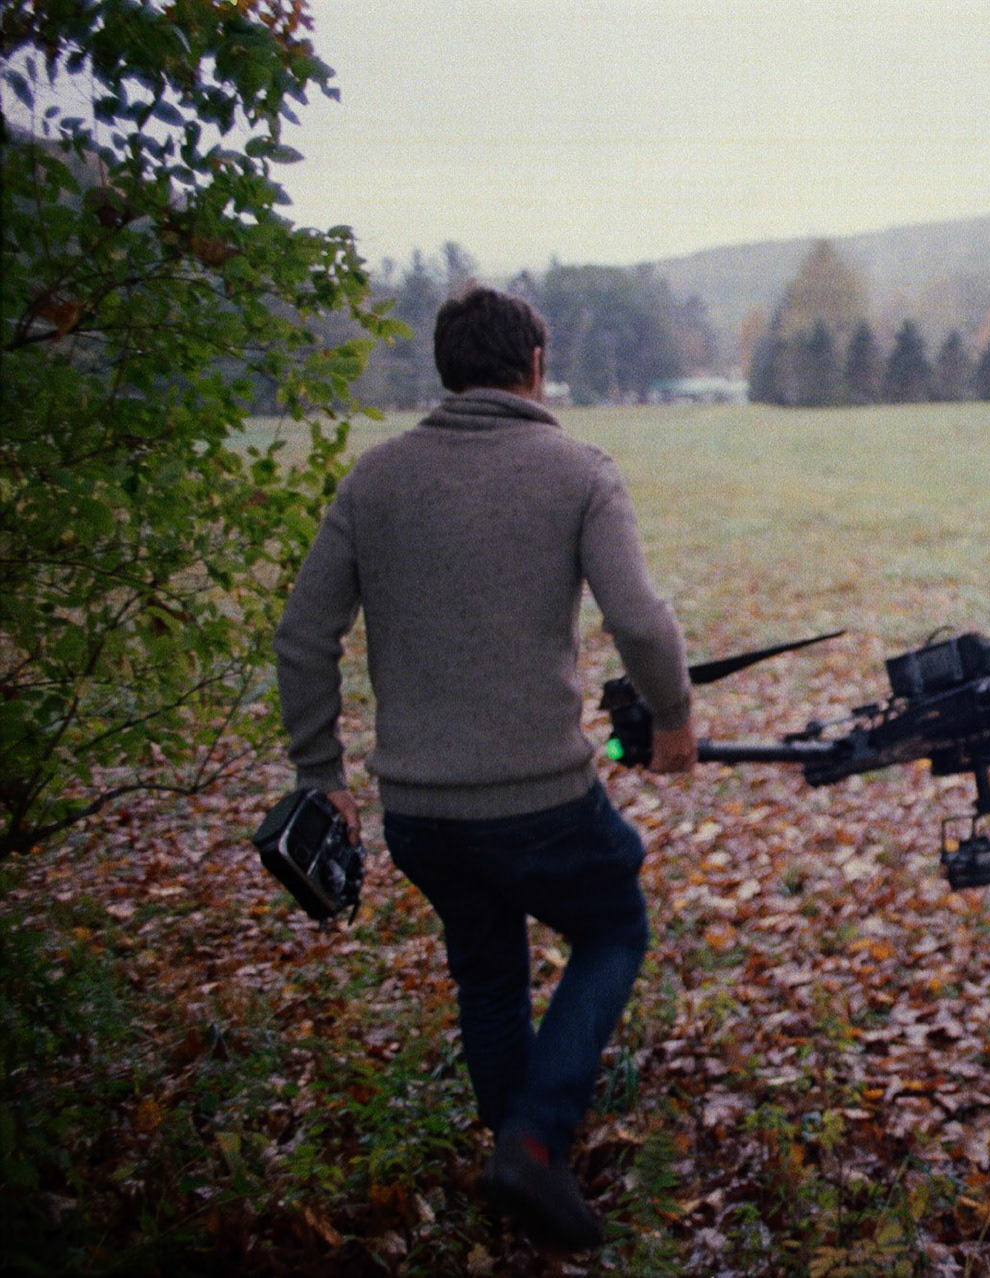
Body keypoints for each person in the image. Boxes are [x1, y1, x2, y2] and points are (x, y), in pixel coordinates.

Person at [273, 286, 697, 1249]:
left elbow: (302, 636)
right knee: (614, 928)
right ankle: (535, 1142)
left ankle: (519, 1166)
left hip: (419, 816)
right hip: (541, 801)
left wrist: (319, 772)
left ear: (447, 370)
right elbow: (640, 620)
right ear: (535, 367)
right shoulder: (578, 470)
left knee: (488, 971)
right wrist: (673, 718)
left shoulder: (374, 479)